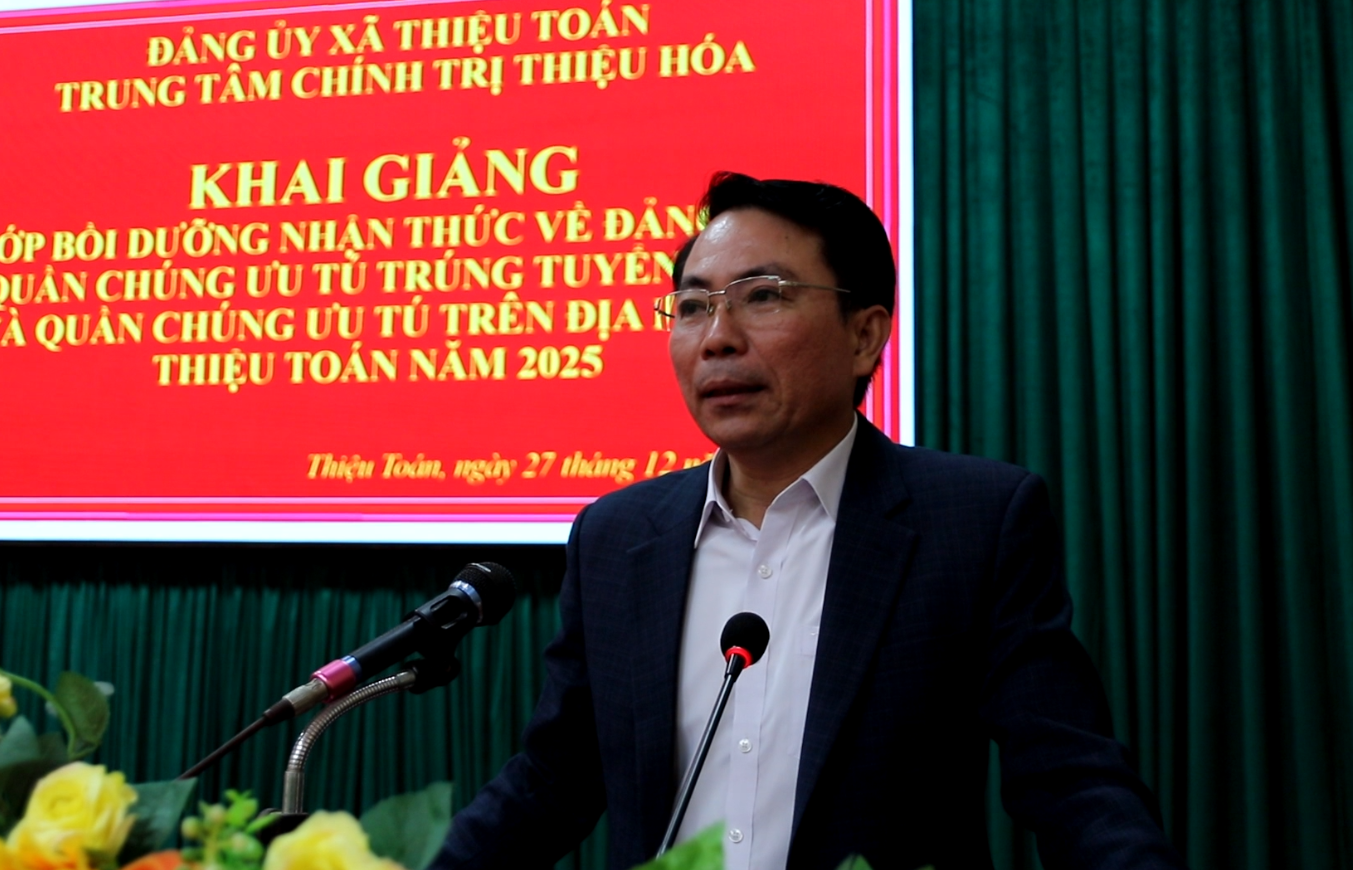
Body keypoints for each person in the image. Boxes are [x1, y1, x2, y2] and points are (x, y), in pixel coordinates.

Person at [431, 173, 1185, 870]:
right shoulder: (619, 536)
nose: (717, 338)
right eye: (692, 306)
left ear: (864, 336)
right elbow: (552, 780)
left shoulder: (973, 523)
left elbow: (1068, 775)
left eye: (762, 296)